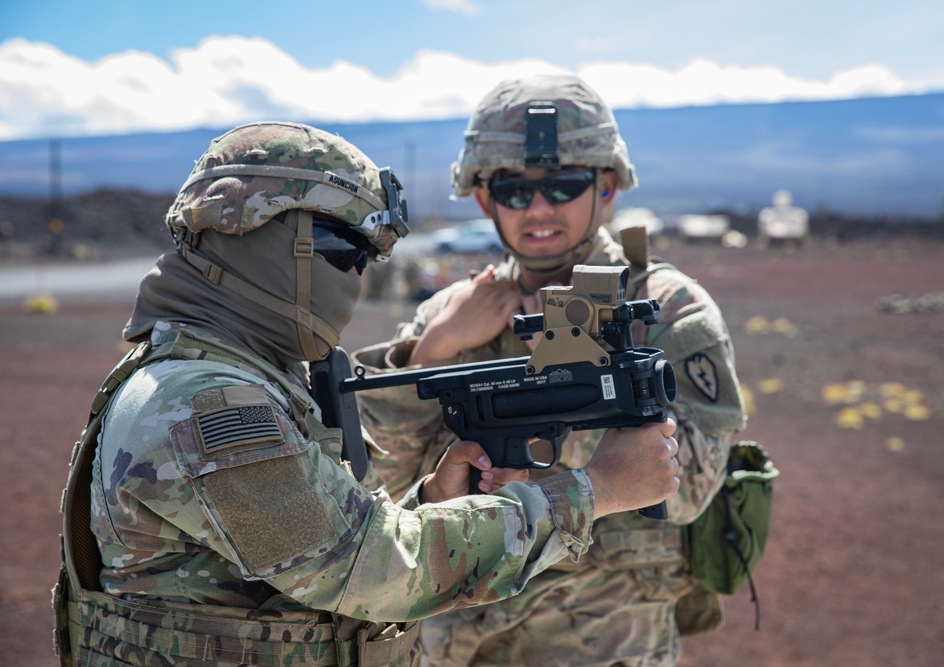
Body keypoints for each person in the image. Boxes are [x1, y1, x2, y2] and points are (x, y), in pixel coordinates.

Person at [51, 121, 682, 666]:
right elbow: (368, 569)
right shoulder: (205, 402)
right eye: (343, 250)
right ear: (257, 235)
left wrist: (432, 503)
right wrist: (593, 492)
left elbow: (317, 552)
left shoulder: (248, 377)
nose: (355, 277)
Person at [352, 75, 746, 666]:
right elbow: (376, 485)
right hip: (458, 641)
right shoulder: (449, 314)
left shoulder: (665, 307)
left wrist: (572, 379)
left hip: (602, 642)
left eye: (562, 185)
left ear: (606, 186)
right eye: (514, 191)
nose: (538, 208)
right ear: (485, 201)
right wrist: (432, 350)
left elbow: (685, 488)